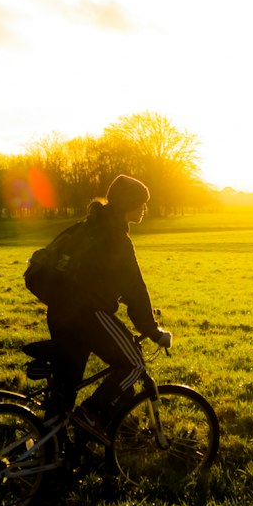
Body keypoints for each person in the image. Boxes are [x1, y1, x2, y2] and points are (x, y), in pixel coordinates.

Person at [45, 173, 171, 444]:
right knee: (134, 363)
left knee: (65, 387)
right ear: (128, 205)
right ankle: (90, 414)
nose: (145, 208)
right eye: (141, 203)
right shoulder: (115, 236)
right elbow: (135, 289)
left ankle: (50, 451)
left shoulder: (87, 226)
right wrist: (152, 331)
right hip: (88, 316)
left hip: (60, 313)